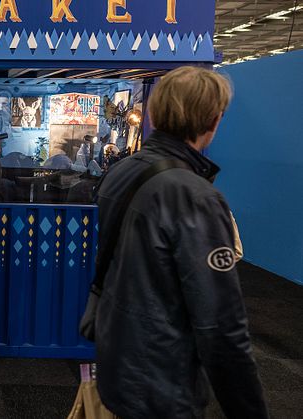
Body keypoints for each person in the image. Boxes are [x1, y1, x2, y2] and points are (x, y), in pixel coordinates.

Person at [93, 66, 268, 418]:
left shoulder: (122, 171)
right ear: (215, 120)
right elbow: (220, 325)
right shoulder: (195, 196)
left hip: (119, 362)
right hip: (161, 380)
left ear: (154, 115)